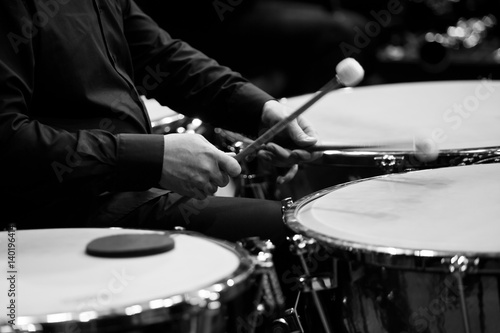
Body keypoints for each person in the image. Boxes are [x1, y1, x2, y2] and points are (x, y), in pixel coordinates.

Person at [0, 0, 321, 315]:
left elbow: (160, 56)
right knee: (289, 232)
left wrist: (259, 111)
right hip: (48, 216)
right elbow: (9, 142)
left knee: (304, 228)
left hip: (122, 191)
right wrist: (155, 158)